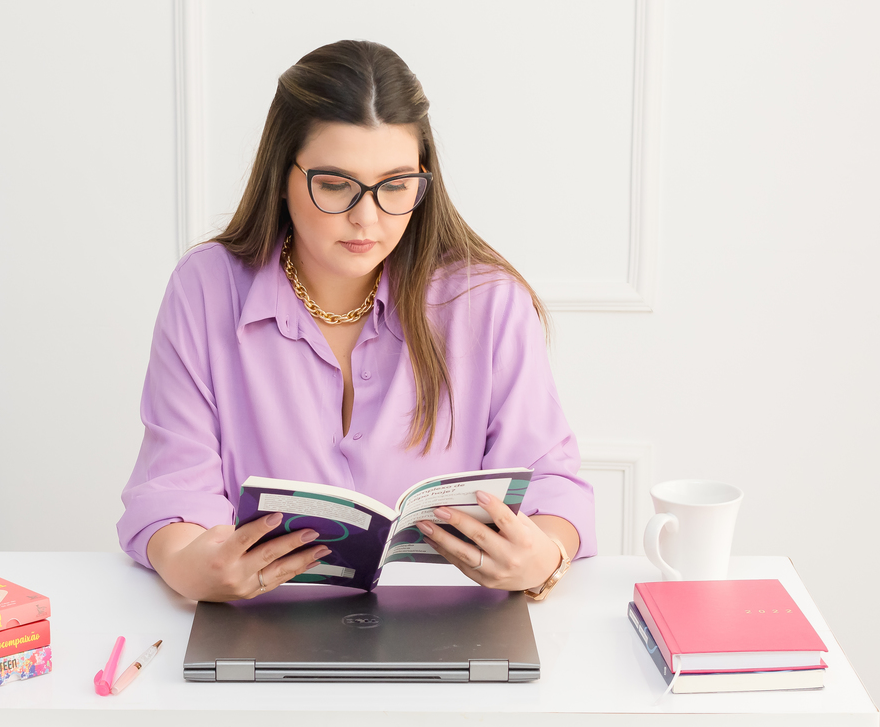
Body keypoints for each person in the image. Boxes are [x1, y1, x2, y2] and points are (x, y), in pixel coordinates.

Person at [117, 39, 596, 603]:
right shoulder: (205, 288)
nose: (366, 218)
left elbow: (553, 485)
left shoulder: (486, 302)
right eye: (335, 185)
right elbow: (172, 491)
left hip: (443, 626)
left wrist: (545, 557)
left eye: (395, 185)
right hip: (261, 622)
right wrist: (189, 566)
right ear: (281, 175)